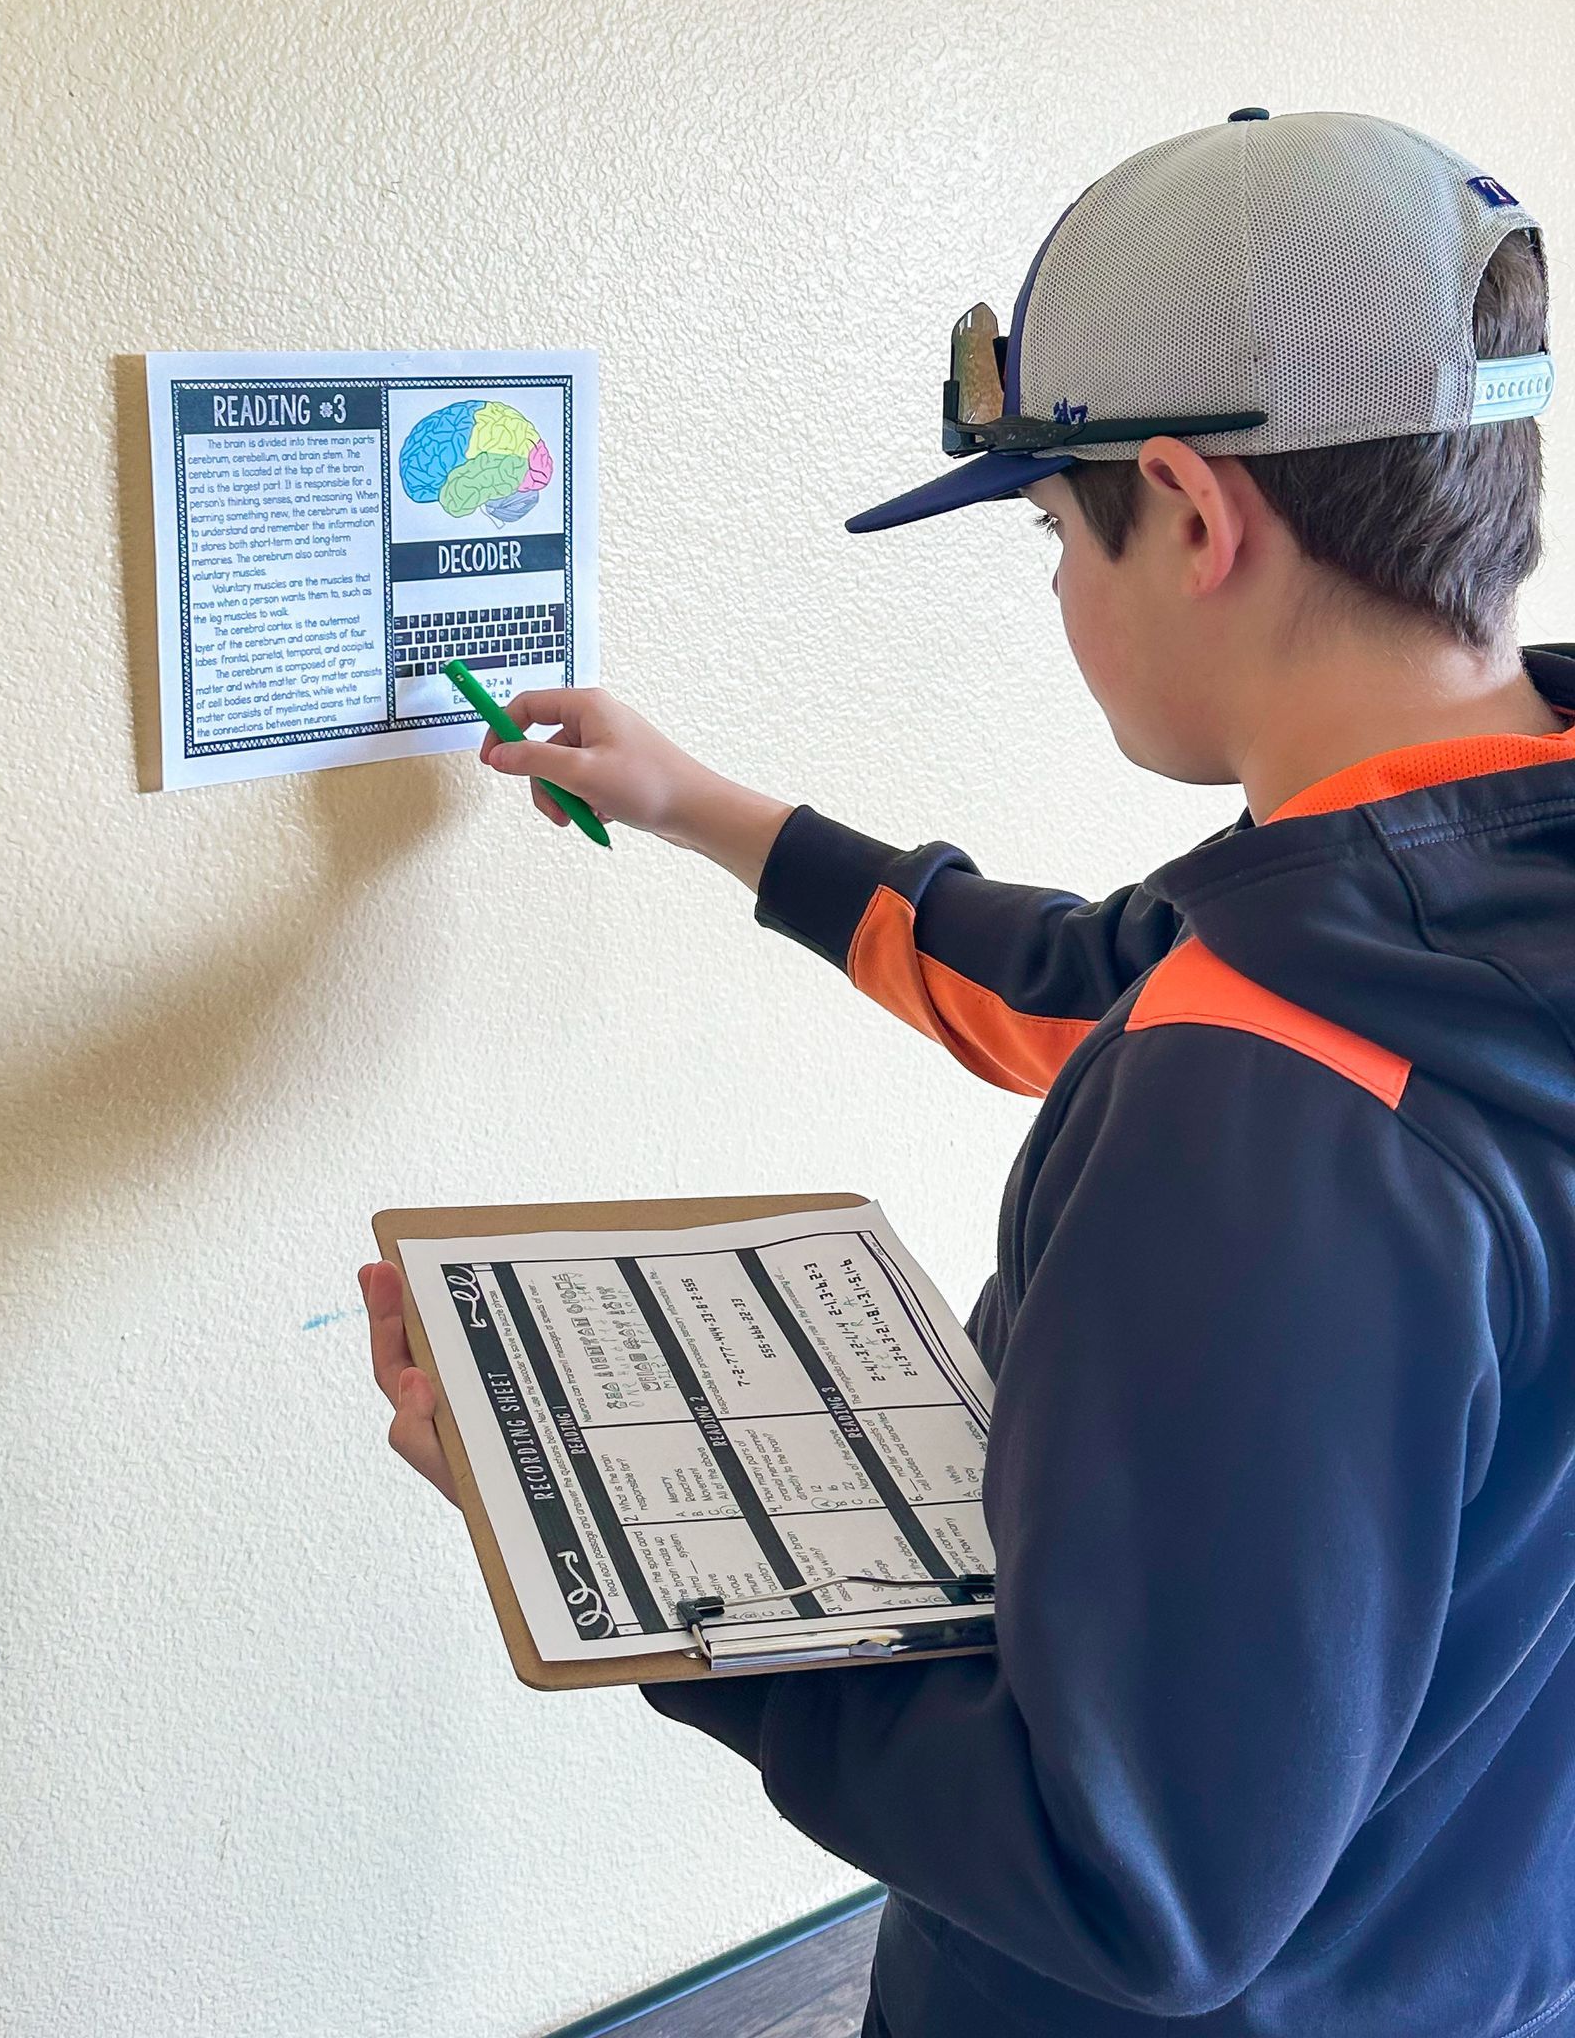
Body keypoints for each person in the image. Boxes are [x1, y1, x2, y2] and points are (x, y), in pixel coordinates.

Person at [364, 109, 1575, 2038]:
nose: (1054, 594)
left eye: (1044, 532)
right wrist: (703, 809)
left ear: (1191, 511)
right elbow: (1094, 987)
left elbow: (1131, 1878)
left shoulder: (1274, 1102)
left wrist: (595, 1552)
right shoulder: (1455, 896)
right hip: (1472, 1961)